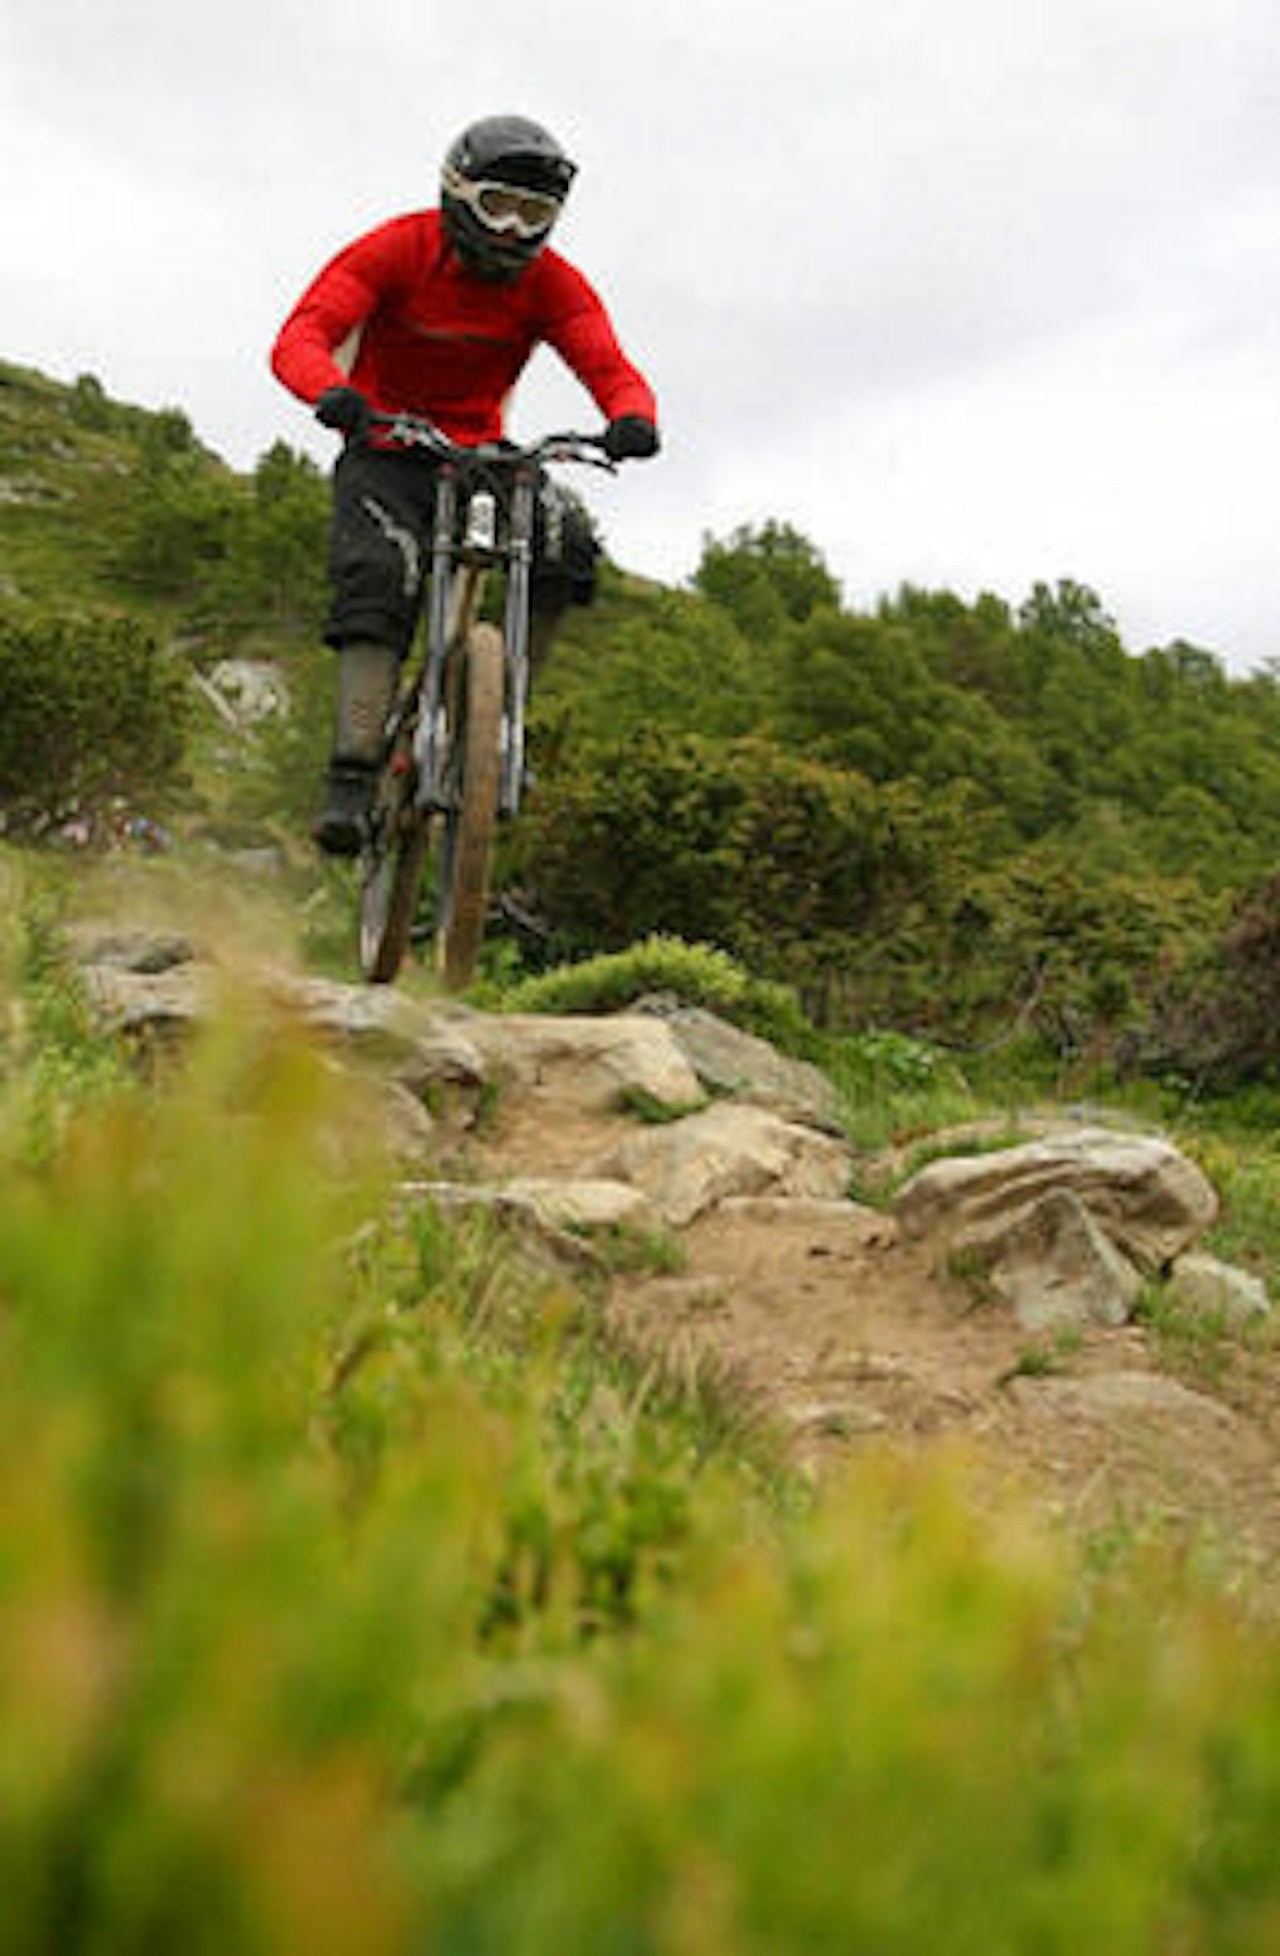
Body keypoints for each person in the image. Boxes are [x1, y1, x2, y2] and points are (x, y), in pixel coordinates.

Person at [270, 113, 661, 855]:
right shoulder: (396, 249)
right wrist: (329, 391)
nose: (513, 230)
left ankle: (497, 725)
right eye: (496, 207)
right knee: (378, 576)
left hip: (485, 452)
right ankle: (351, 779)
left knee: (566, 549)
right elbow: (303, 334)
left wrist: (632, 417)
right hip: (385, 442)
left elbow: (607, 363)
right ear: (456, 194)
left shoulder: (553, 284)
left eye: (535, 213)